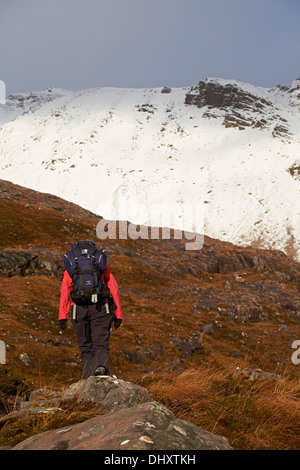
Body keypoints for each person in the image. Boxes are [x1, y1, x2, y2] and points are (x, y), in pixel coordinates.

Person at [58, 246, 123, 379]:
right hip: (100, 307)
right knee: (101, 343)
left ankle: (88, 378)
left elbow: (65, 291)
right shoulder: (99, 263)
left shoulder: (72, 265)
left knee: (86, 347)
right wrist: (118, 315)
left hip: (79, 309)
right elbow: (113, 288)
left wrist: (62, 316)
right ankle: (102, 369)